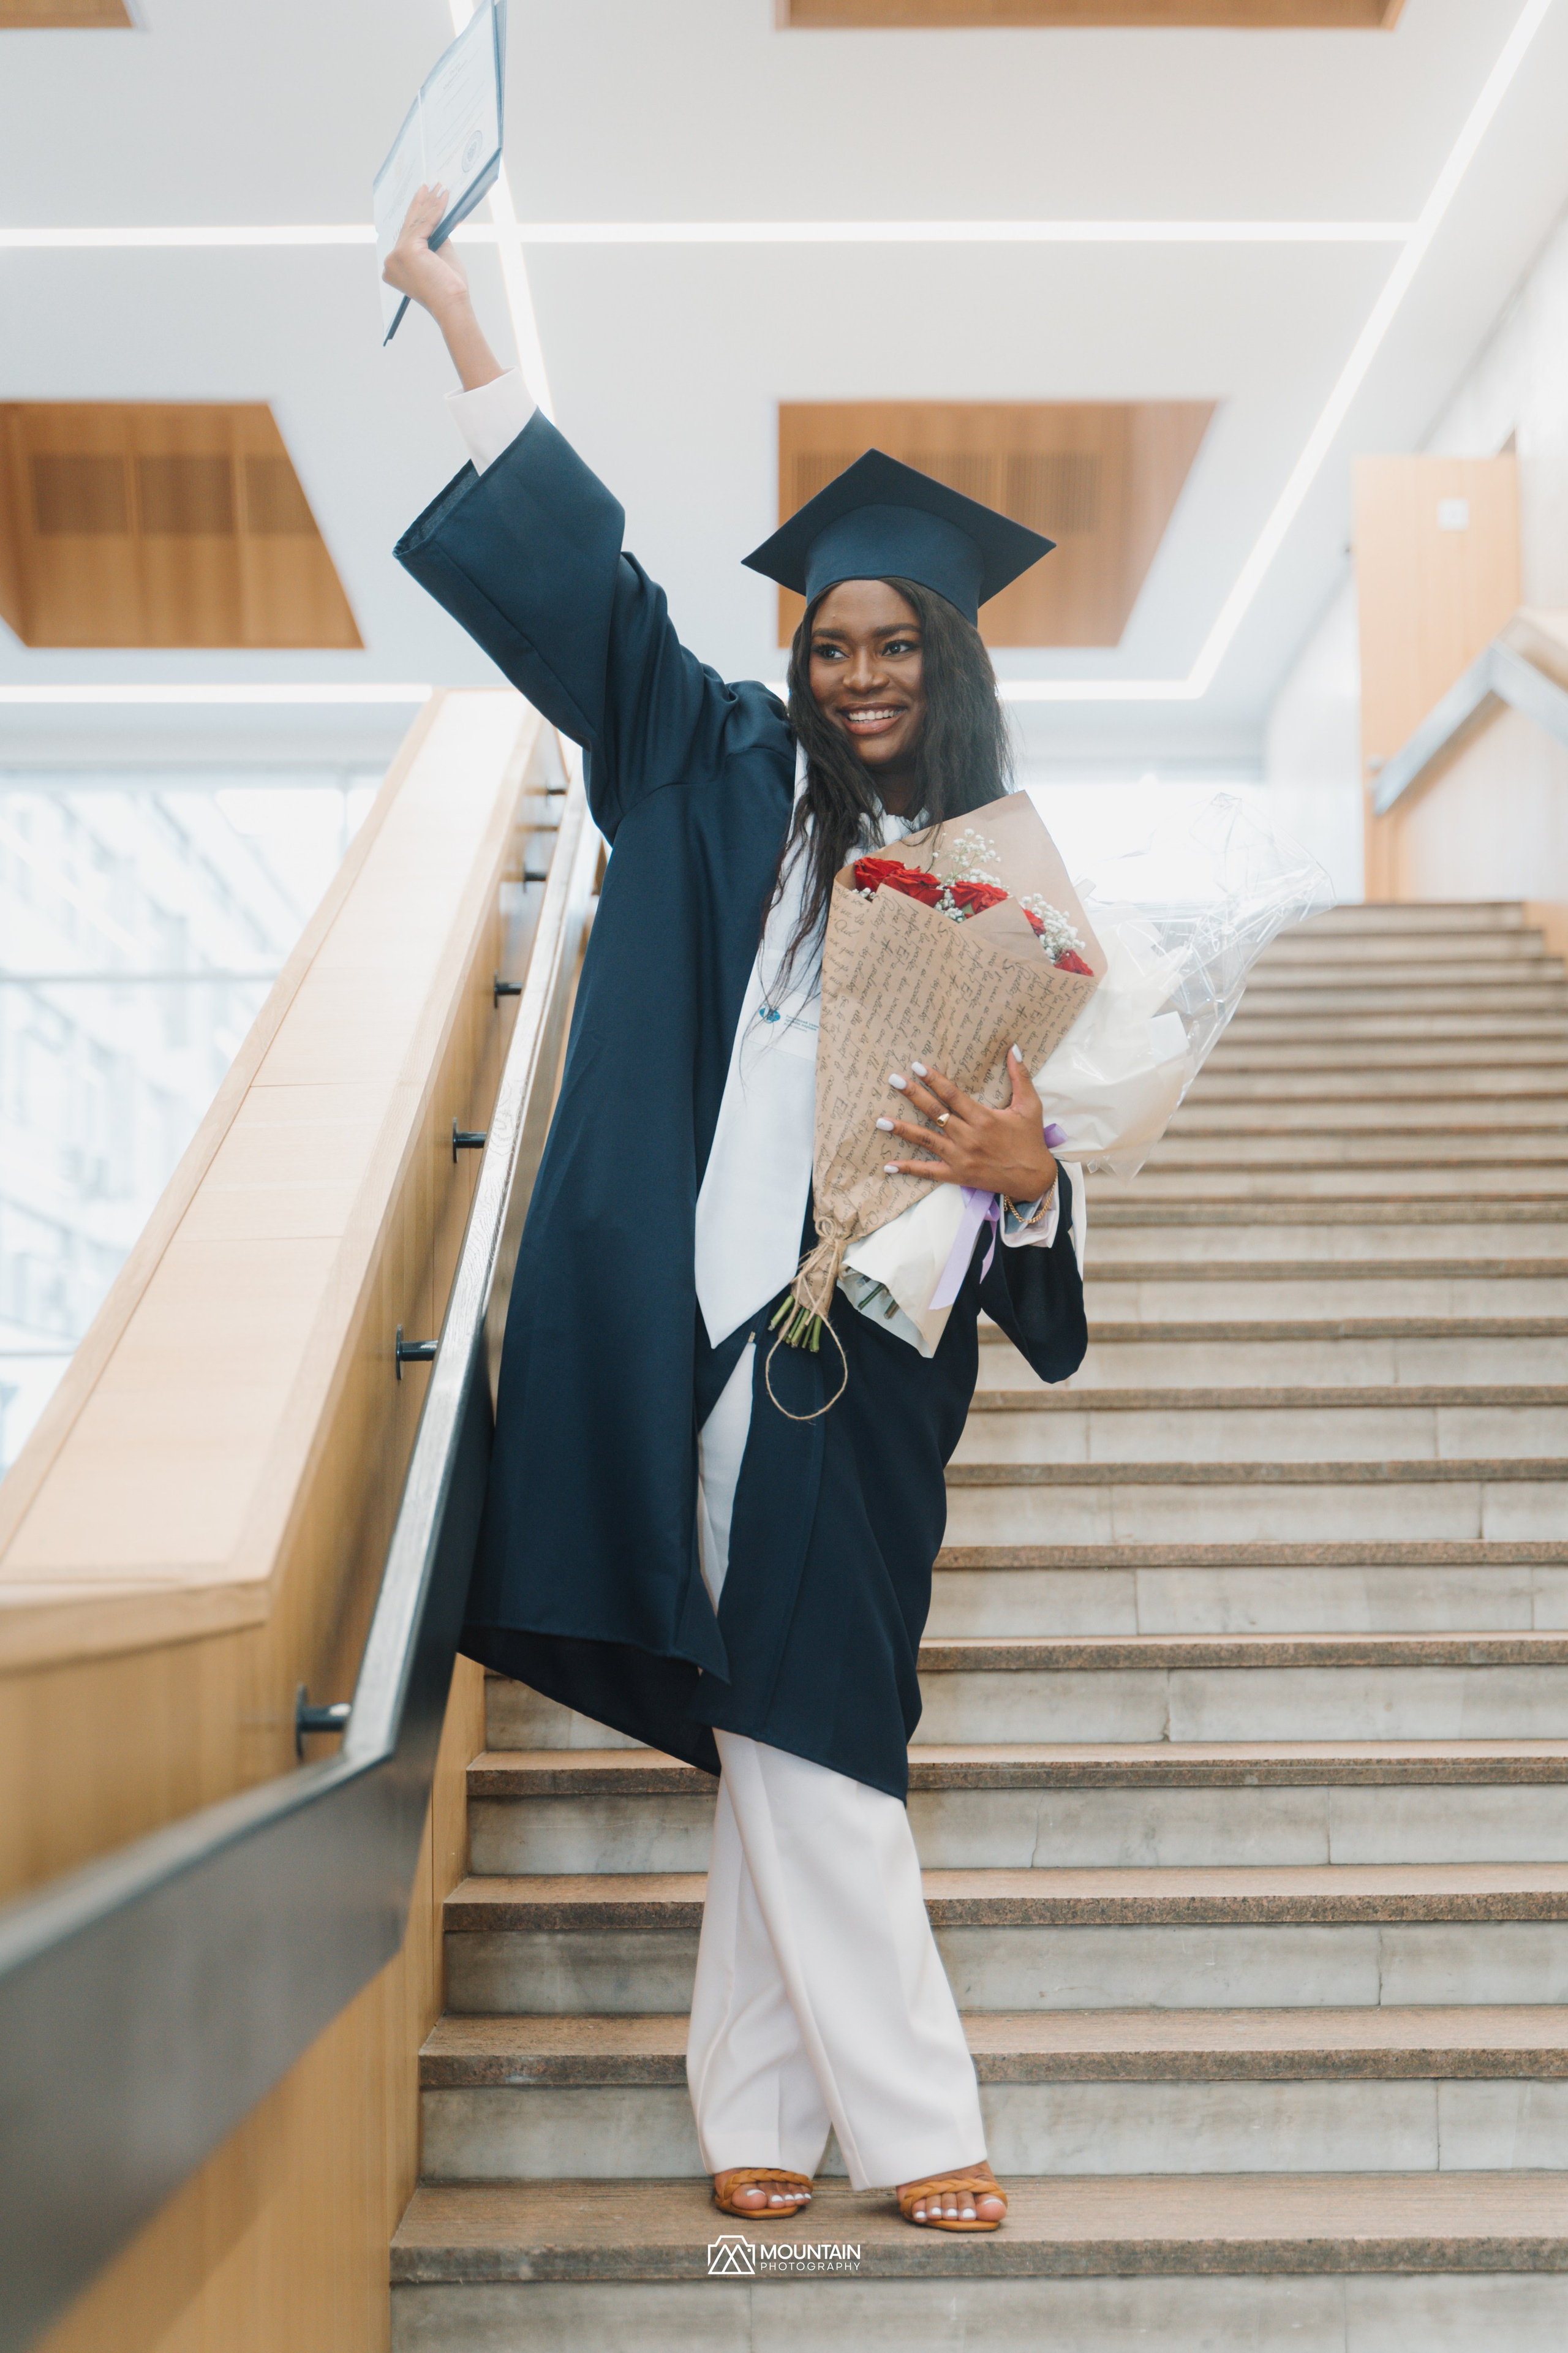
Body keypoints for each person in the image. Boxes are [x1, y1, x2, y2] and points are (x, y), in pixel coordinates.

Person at [385, 187, 1088, 2234]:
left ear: (944, 663)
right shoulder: (713, 773)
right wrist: (453, 308)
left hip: (881, 1364)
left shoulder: (1007, 884)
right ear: (802, 657)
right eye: (834, 640)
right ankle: (916, 2109)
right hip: (718, 1335)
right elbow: (584, 591)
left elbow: (1041, 1205)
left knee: (805, 1708)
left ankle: (752, 2097)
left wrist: (1032, 1186)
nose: (860, 669)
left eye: (896, 644)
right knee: (813, 1720)